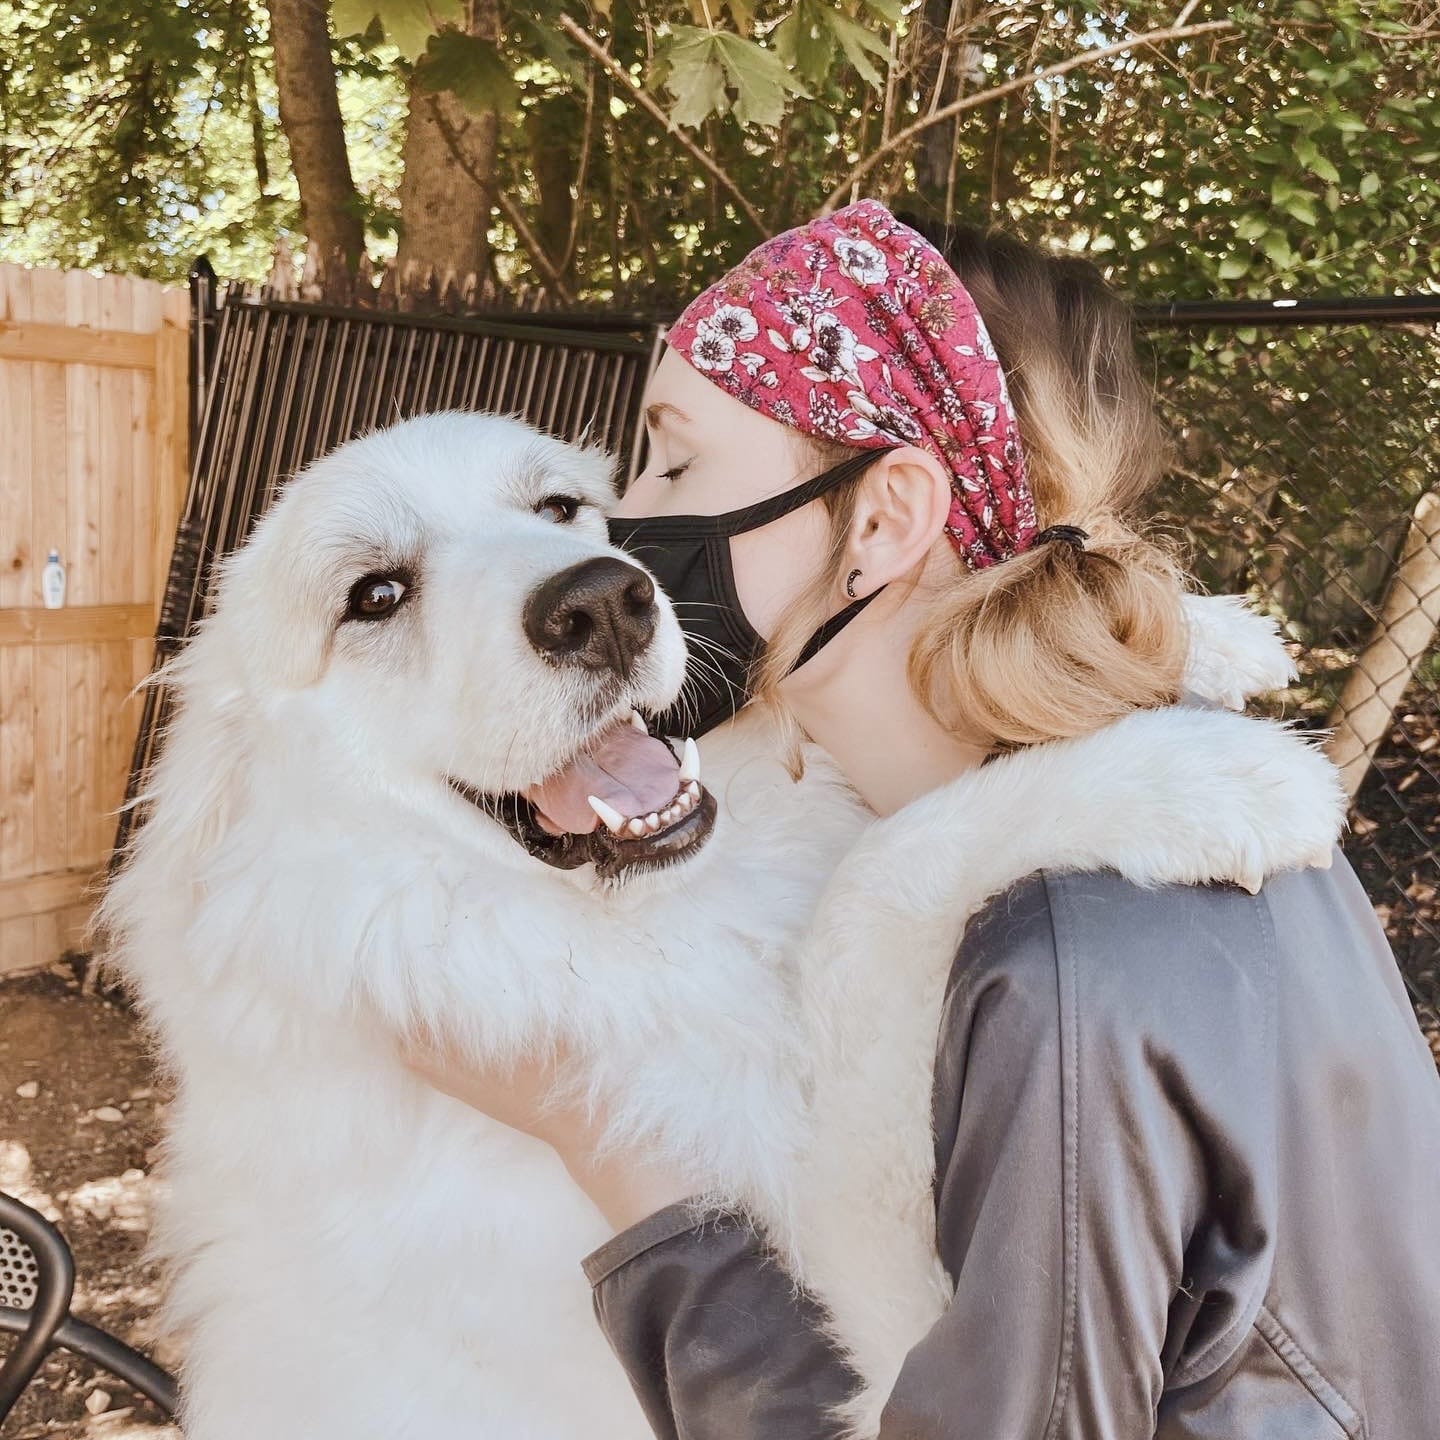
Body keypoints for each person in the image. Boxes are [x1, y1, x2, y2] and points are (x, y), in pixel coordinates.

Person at [406, 201, 1440, 1437]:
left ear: (885, 522)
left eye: (674, 462)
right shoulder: (1181, 819)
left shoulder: (1070, 958)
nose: (625, 522)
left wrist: (615, 1154)